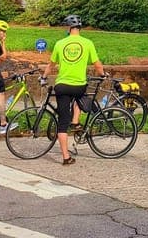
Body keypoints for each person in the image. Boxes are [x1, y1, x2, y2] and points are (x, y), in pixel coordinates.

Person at [40, 14, 105, 165]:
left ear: (69, 28)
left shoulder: (60, 44)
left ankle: (66, 157)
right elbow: (97, 64)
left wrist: (44, 77)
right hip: (79, 85)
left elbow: (51, 65)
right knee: (81, 96)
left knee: (62, 123)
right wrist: (103, 74)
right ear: (79, 28)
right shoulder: (87, 43)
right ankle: (76, 121)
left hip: (62, 85)